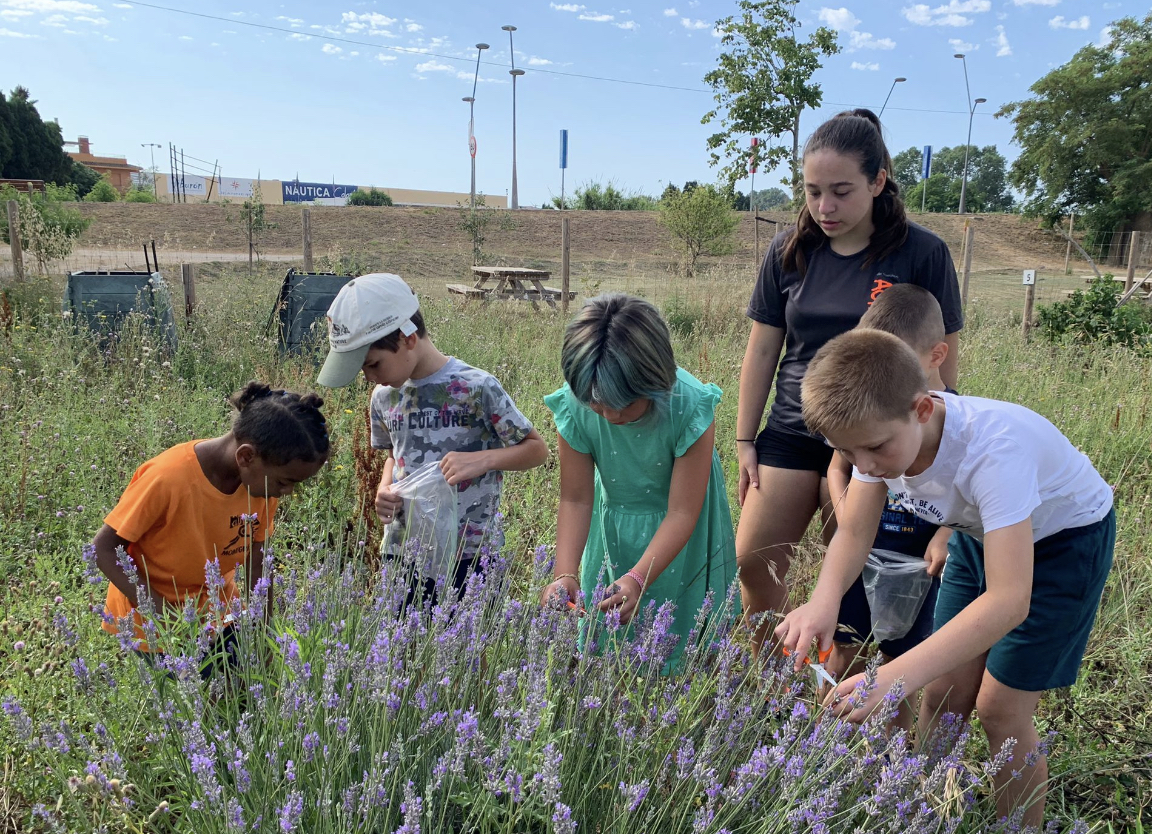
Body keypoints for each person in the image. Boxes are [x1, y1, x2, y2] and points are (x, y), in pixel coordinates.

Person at [779, 329, 1115, 828]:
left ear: (922, 409)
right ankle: (927, 816)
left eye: (873, 449)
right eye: (849, 454)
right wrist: (822, 602)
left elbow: (1008, 601)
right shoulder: (876, 438)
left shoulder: (992, 453)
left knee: (1000, 710)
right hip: (981, 537)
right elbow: (854, 530)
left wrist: (888, 678)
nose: (865, 467)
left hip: (1063, 543)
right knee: (940, 692)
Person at [735, 108, 963, 655]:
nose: (824, 208)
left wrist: (945, 457)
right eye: (813, 192)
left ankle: (844, 684)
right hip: (794, 426)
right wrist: (746, 438)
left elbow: (944, 361)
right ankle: (769, 672)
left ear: (878, 180)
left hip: (879, 433)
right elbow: (764, 348)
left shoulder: (922, 253)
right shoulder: (790, 249)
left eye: (840, 191)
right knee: (751, 555)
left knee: (862, 567)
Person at [316, 273, 548, 607]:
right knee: (406, 650)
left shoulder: (476, 388)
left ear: (407, 338)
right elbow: (394, 455)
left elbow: (535, 450)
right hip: (405, 549)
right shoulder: (383, 398)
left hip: (470, 552)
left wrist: (482, 460)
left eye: (373, 364)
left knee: (470, 648)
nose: (368, 376)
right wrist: (385, 488)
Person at [541, 293, 738, 670]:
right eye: (597, 405)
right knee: (608, 647)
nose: (611, 415)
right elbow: (576, 499)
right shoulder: (577, 402)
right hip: (615, 525)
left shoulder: (689, 404)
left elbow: (683, 511)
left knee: (684, 648)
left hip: (684, 532)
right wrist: (565, 574)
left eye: (625, 403)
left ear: (656, 381)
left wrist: (637, 577)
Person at [93, 383, 330, 667]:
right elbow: (103, 548)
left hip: (219, 611)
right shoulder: (168, 478)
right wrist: (164, 616)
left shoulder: (263, 485)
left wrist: (263, 632)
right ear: (246, 456)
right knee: (200, 706)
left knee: (245, 697)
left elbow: (257, 562)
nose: (287, 492)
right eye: (285, 482)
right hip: (156, 621)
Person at [822, 284, 955, 730]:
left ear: (936, 355)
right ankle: (826, 739)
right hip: (869, 553)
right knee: (844, 646)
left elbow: (971, 501)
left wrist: (945, 533)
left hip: (921, 566)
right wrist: (847, 513)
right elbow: (840, 467)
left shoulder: (949, 418)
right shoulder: (869, 417)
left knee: (900, 664)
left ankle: (891, 760)